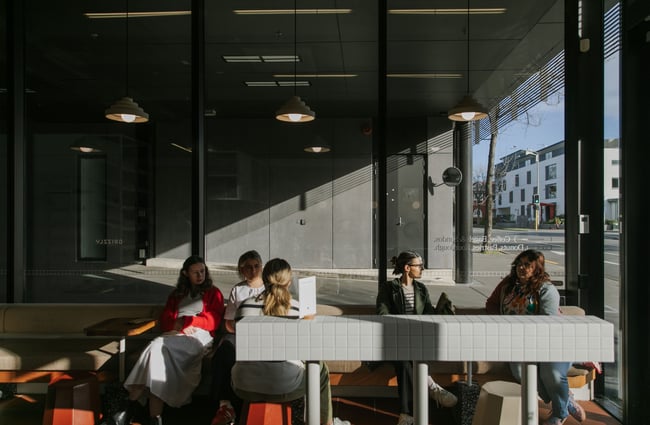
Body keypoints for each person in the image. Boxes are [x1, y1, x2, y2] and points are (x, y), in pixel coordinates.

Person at [230, 258, 349, 425]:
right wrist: (308, 321)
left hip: (243, 385)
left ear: (263, 279)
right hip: (285, 387)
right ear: (289, 281)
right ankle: (325, 422)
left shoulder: (244, 307)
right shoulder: (297, 308)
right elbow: (307, 348)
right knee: (320, 369)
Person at [112, 255, 225, 425]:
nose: (200, 275)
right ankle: (155, 419)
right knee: (156, 358)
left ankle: (129, 402)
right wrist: (177, 324)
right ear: (186, 274)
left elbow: (214, 321)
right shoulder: (177, 294)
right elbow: (165, 321)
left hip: (198, 336)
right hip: (174, 334)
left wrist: (190, 321)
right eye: (195, 272)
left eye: (202, 271)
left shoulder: (213, 292)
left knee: (155, 345)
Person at [485, 249, 586, 425]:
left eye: (527, 265)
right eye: (519, 264)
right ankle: (564, 399)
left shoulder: (546, 289)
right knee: (520, 372)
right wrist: (500, 321)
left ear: (537, 268)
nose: (521, 268)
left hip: (552, 342)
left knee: (551, 373)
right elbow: (491, 304)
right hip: (518, 343)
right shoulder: (507, 285)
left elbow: (547, 323)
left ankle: (559, 413)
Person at [376, 250, 458, 425]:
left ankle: (406, 415)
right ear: (407, 268)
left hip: (418, 339)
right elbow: (382, 313)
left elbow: (427, 315)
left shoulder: (421, 289)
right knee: (405, 359)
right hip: (395, 339)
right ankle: (431, 387)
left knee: (405, 360)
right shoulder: (389, 288)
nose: (422, 268)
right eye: (419, 265)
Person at [210, 250, 265, 425]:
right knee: (223, 351)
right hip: (239, 333)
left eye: (256, 266)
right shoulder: (238, 290)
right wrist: (242, 330)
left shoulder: (269, 288)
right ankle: (224, 405)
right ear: (241, 270)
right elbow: (228, 323)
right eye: (248, 267)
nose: (253, 270)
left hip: (263, 335)